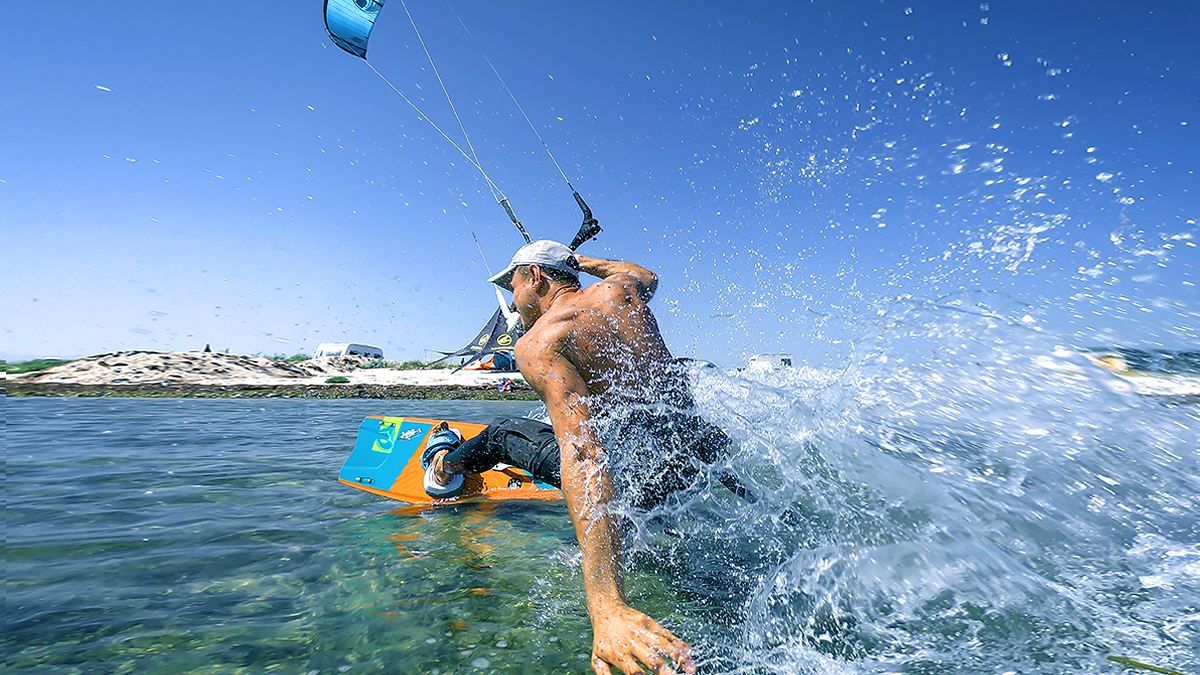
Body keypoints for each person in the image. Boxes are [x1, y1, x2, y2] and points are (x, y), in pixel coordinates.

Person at [425, 240, 742, 675]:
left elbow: (586, 455)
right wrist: (581, 261)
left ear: (535, 277)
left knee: (502, 432)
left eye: (513, 286)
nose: (513, 304)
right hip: (699, 455)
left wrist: (607, 605)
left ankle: (443, 466)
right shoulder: (622, 291)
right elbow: (646, 274)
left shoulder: (539, 341)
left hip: (633, 482)